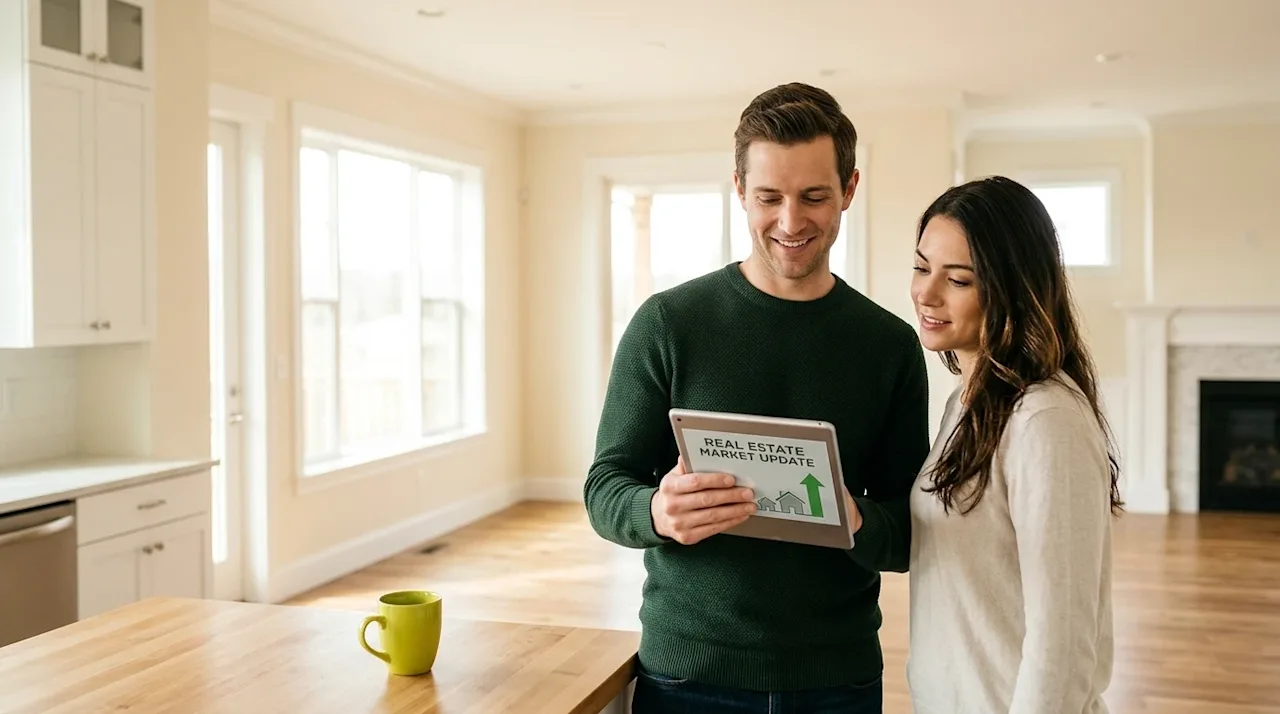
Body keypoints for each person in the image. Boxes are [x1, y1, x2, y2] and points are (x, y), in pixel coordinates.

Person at [583, 82, 930, 714]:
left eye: (815, 197)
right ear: (739, 189)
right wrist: (656, 512)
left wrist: (855, 520)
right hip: (688, 673)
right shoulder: (668, 323)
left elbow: (913, 532)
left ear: (850, 189)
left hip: (837, 679)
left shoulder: (889, 346)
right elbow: (605, 486)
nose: (791, 222)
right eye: (768, 197)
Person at [903, 175, 1120, 713]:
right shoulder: (966, 402)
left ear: (1012, 288)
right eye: (921, 266)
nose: (926, 293)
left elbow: (1064, 643)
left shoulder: (1044, 419)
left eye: (958, 280)